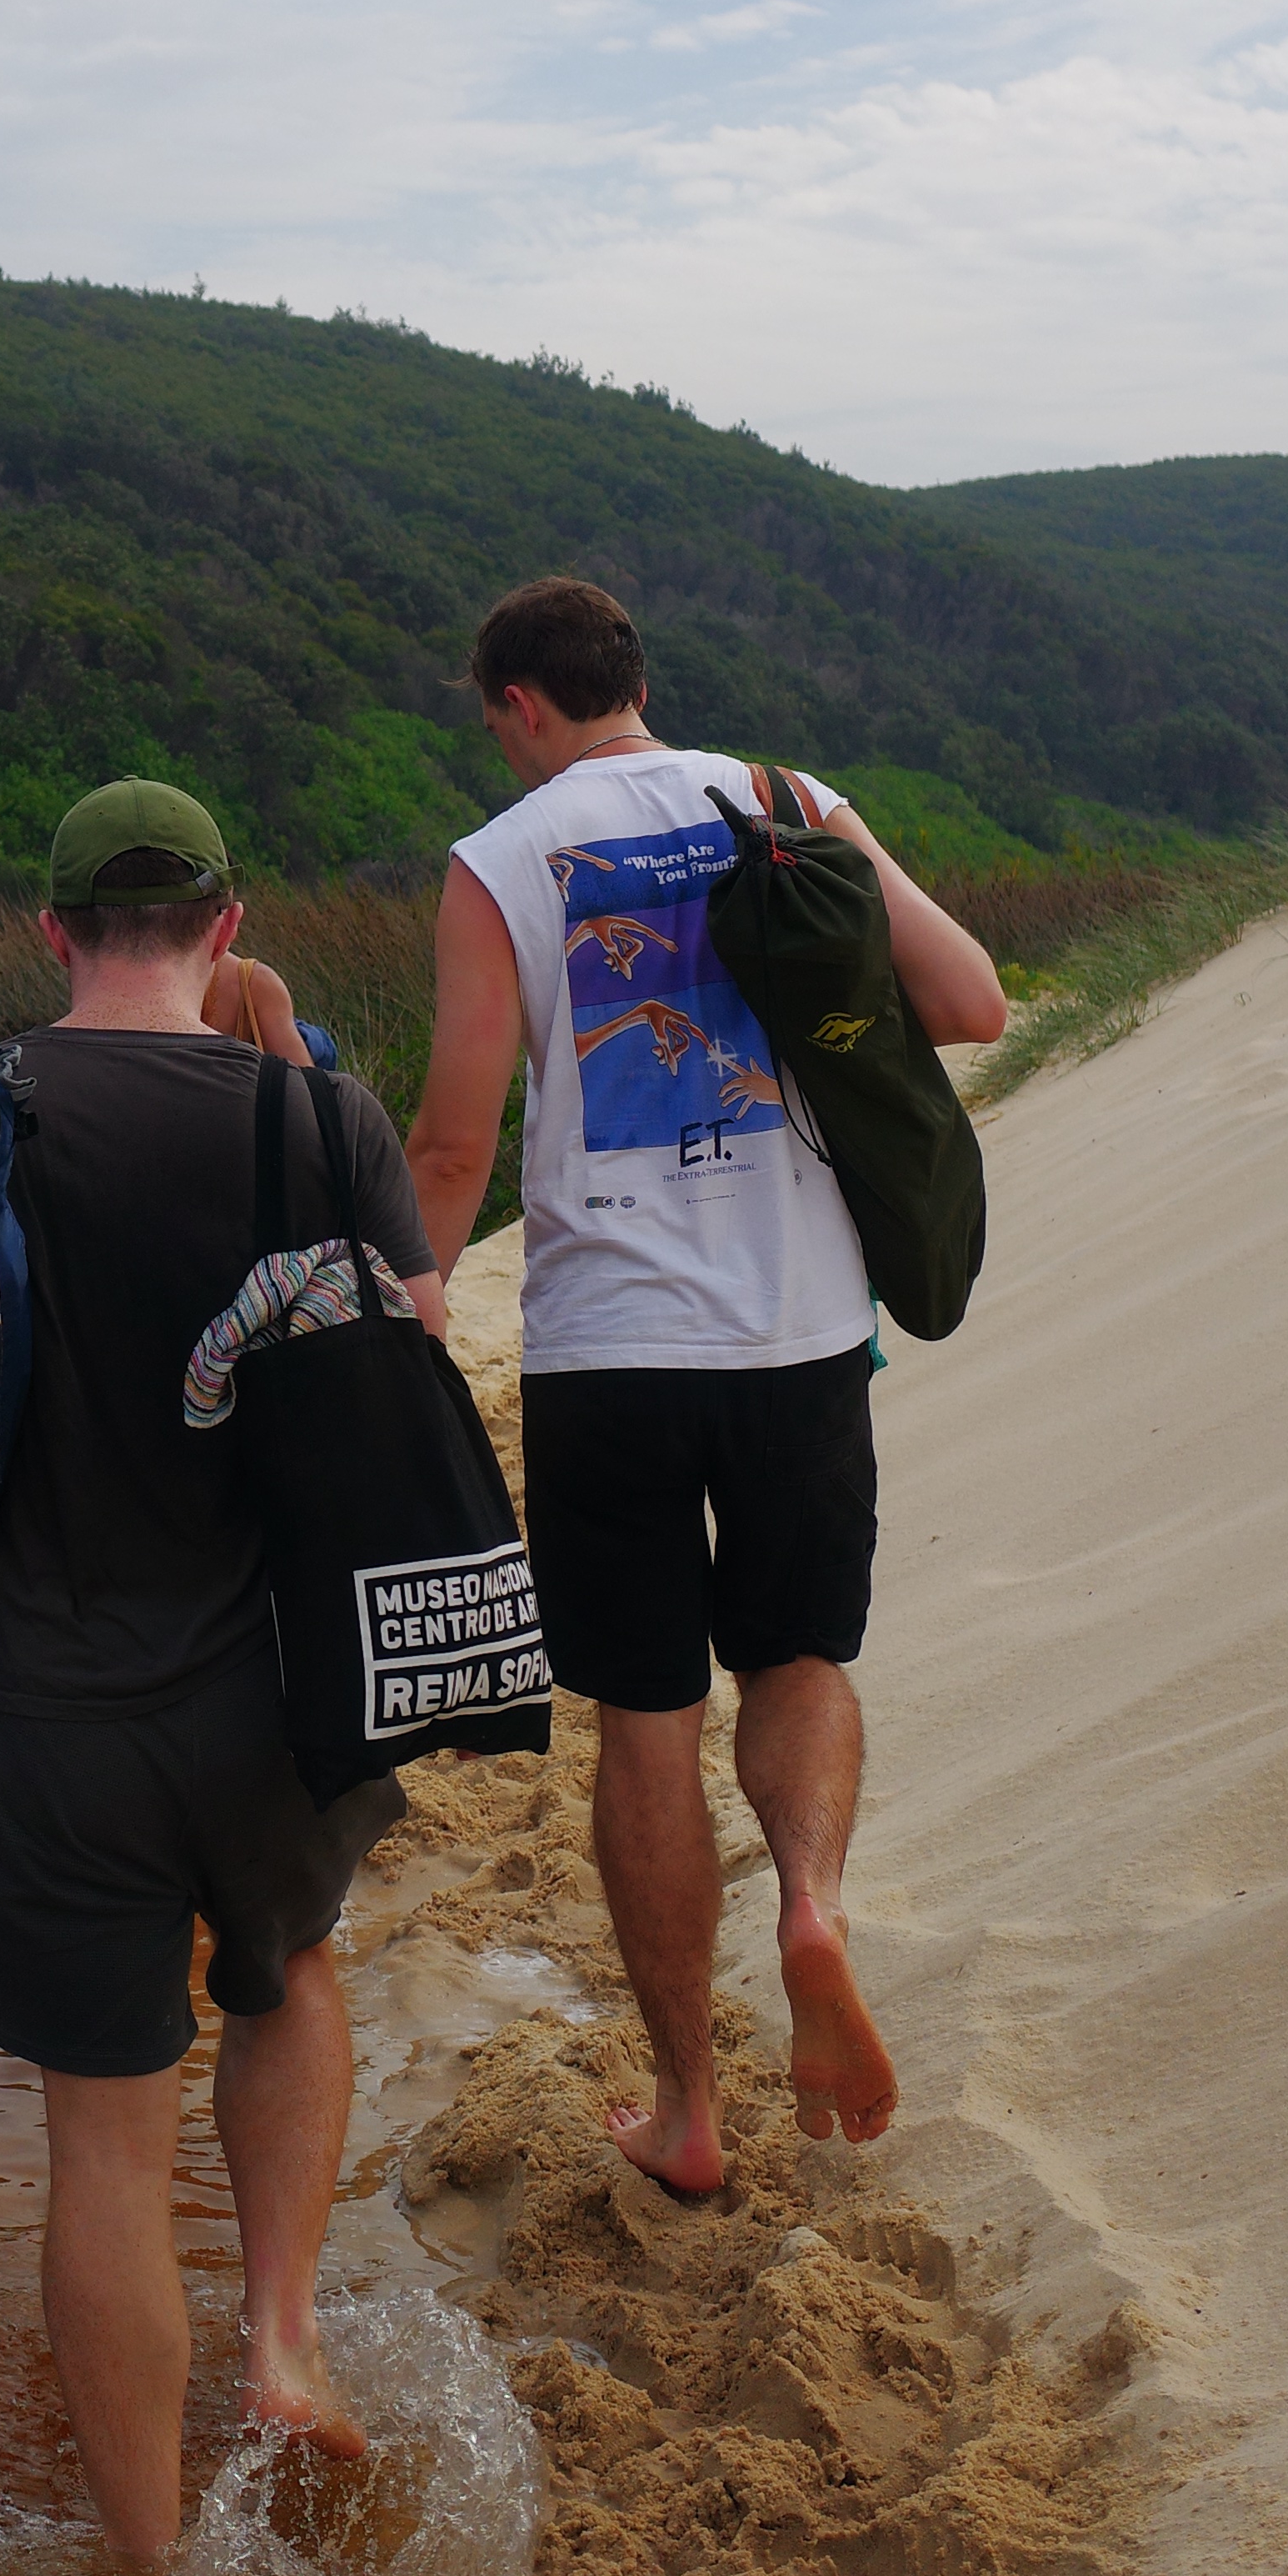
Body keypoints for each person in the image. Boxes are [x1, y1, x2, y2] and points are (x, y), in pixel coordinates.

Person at [400, 577, 1006, 2194]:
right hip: (802, 1332)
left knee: (647, 1723)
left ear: (518, 706)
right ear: (633, 683)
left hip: (613, 1352)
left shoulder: (498, 863)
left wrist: (415, 1293)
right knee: (800, 1657)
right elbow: (973, 1003)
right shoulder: (788, 804)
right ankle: (809, 1899)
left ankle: (688, 2113)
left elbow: (455, 1139)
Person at [0, 773, 448, 2568]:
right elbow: (413, 1348)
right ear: (226, 930)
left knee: (101, 2146)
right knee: (289, 1971)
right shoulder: (314, 1113)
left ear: (52, 933)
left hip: (55, 1708)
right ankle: (283, 2337)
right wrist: (291, 1058)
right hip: (279, 1693)